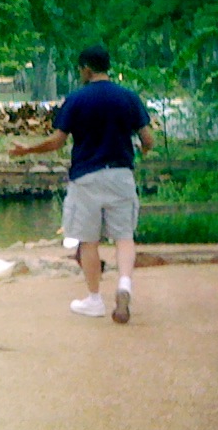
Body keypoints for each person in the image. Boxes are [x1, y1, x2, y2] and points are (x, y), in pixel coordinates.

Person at [9, 45, 155, 323]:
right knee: (124, 237)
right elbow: (148, 140)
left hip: (86, 177)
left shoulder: (76, 99)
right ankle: (124, 284)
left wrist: (26, 150)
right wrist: (140, 150)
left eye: (80, 68)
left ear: (86, 67)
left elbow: (57, 141)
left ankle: (94, 299)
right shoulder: (128, 97)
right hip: (121, 174)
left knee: (89, 241)